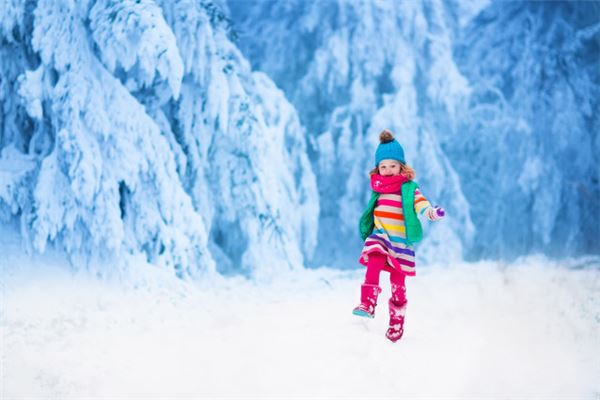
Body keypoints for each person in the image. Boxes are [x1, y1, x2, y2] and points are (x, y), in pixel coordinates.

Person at [353, 129, 445, 342]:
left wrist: (431, 212)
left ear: (401, 167)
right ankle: (367, 302)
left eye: (392, 166)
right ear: (378, 168)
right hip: (381, 236)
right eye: (383, 166)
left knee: (398, 283)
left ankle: (396, 321)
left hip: (401, 243)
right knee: (373, 259)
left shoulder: (409, 189)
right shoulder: (378, 189)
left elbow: (421, 204)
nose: (387, 170)